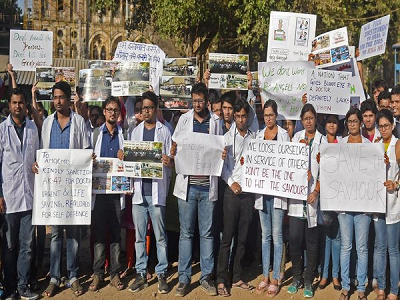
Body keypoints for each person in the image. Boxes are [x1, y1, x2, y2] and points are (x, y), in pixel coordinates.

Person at [34, 81, 91, 298]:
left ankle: (74, 275)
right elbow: (44, 153)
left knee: (74, 233)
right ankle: (55, 277)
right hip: (54, 188)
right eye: (55, 97)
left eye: (61, 97)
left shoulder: (79, 122)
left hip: (74, 187)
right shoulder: (47, 123)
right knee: (56, 233)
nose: (58, 101)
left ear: (69, 99)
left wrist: (89, 158)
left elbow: (86, 150)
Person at [171, 82, 223, 297]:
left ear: (207, 101)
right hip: (188, 187)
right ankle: (184, 278)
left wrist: (222, 155)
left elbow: (221, 147)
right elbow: (175, 147)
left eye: (201, 100)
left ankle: (206, 277)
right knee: (186, 233)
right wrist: (174, 149)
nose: (198, 104)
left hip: (207, 187)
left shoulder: (216, 122)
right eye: (194, 101)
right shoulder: (183, 120)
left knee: (208, 234)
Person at [128, 91, 173, 294]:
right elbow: (130, 161)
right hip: (139, 191)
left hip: (156, 192)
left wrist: (168, 161)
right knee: (139, 236)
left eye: (149, 107)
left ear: (156, 109)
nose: (145, 111)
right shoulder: (135, 132)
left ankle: (162, 273)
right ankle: (141, 273)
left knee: (160, 236)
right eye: (143, 108)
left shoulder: (165, 131)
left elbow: (172, 161)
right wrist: (124, 155)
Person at [0, 88, 40, 300]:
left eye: (21, 103)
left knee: (26, 246)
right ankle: (9, 288)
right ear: (9, 105)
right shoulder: (1, 130)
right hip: (8, 197)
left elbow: (37, 158)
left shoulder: (32, 128)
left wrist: (36, 165)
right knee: (9, 246)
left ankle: (23, 286)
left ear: (26, 105)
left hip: (28, 196)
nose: (18, 106)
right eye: (14, 103)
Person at [216, 100, 255, 297]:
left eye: (243, 116)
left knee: (242, 238)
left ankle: (237, 275)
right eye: (237, 116)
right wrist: (232, 182)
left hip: (248, 194)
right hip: (232, 193)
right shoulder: (225, 139)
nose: (240, 119)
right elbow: (222, 168)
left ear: (248, 117)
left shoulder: (254, 138)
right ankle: (221, 279)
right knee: (227, 238)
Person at [89, 96, 125, 292]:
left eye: (115, 110)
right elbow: (85, 162)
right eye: (109, 109)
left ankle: (114, 273)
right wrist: (90, 159)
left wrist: (124, 157)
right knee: (99, 234)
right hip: (99, 193)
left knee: (116, 235)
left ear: (119, 113)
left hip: (117, 194)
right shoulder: (95, 135)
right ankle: (97, 274)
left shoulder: (124, 135)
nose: (112, 113)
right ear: (104, 111)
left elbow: (130, 166)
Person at [287, 103, 323, 298]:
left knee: (311, 242)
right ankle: (296, 277)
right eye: (305, 118)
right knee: (294, 239)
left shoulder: (322, 141)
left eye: (311, 118)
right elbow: (288, 166)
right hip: (296, 198)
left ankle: (309, 279)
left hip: (311, 199)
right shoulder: (296, 139)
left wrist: (316, 191)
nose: (308, 121)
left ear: (315, 119)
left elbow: (325, 172)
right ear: (301, 121)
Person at [254, 100, 289, 297]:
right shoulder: (259, 136)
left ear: (276, 115)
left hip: (277, 193)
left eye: (271, 115)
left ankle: (276, 276)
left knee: (277, 236)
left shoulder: (284, 136)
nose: (268, 118)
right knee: (264, 235)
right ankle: (265, 275)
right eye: (265, 115)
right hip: (262, 193)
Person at [337, 107, 371, 300]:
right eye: (349, 121)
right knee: (346, 246)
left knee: (362, 248)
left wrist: (380, 161)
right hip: (343, 205)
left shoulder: (369, 145)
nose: (352, 124)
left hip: (364, 206)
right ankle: (345, 286)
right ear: (346, 124)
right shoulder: (339, 145)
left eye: (355, 121)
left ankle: (360, 288)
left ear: (360, 123)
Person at [373, 109, 400, 300]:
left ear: (392, 126)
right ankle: (381, 287)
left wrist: (396, 183)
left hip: (393, 204)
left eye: (386, 125)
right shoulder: (374, 146)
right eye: (380, 126)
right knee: (380, 247)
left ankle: (394, 290)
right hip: (377, 205)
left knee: (393, 249)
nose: (383, 129)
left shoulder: (398, 146)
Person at [318, 114, 342, 291]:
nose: (332, 125)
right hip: (324, 194)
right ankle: (324, 275)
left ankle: (335, 275)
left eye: (335, 122)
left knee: (337, 237)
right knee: (326, 236)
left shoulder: (343, 142)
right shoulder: (320, 142)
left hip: (341, 195)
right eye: (329, 122)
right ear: (325, 124)